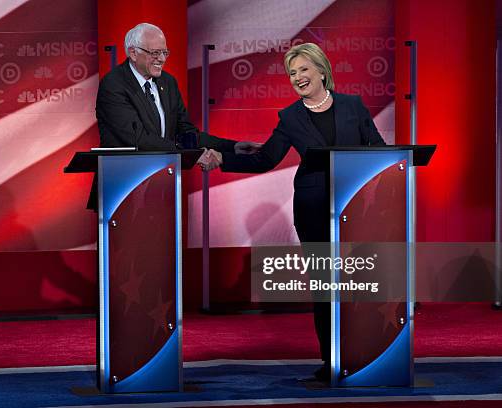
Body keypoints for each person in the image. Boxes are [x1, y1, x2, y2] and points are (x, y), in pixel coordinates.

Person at [200, 43, 386, 381]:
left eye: (303, 70)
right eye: (292, 73)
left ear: (321, 70)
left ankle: (366, 356)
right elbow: (265, 159)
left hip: (355, 207)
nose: (297, 78)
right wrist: (223, 158)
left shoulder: (352, 106)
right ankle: (333, 360)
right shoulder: (290, 117)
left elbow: (380, 152)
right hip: (314, 210)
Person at [96, 22, 261, 156]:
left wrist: (232, 147)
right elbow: (138, 139)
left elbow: (187, 133)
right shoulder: (114, 84)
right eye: (155, 53)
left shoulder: (168, 83)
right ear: (133, 53)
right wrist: (191, 155)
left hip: (163, 181)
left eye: (164, 52)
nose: (161, 59)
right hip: (122, 184)